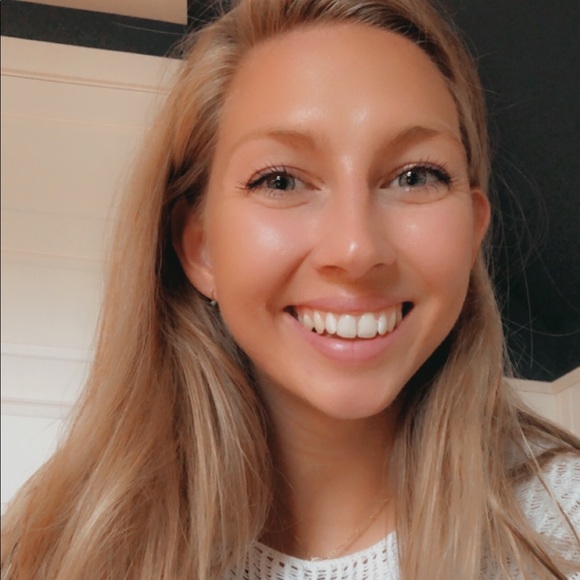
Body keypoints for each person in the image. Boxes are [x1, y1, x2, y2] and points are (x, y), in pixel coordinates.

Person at [2, 0, 579, 578]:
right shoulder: (50, 552)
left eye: (415, 176)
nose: (356, 249)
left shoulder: (566, 530)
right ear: (199, 246)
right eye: (280, 181)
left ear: (473, 230)